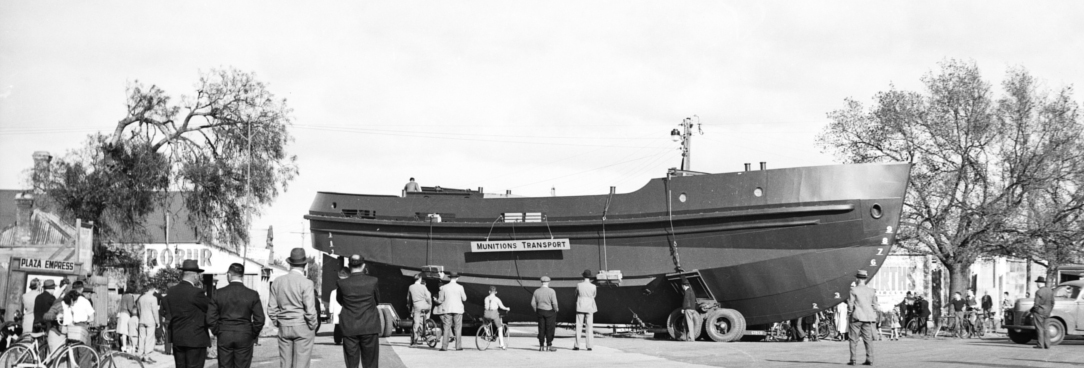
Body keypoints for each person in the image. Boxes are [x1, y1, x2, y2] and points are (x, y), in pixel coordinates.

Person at [208, 263, 266, 368]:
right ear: (242, 275)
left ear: (229, 275)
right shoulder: (252, 294)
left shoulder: (218, 293)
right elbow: (260, 319)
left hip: (224, 334)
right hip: (244, 334)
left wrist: (218, 331)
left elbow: (210, 318)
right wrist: (251, 333)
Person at [269, 248, 319, 368]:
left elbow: (272, 308)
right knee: (301, 364)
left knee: (285, 364)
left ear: (290, 263)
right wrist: (312, 326)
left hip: (284, 326)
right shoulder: (307, 283)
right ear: (305, 264)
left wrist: (278, 321)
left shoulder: (277, 281)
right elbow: (310, 310)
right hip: (302, 326)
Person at [162, 260, 212, 368]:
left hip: (178, 338)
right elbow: (211, 307)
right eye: (199, 275)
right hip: (195, 339)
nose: (199, 277)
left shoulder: (171, 291)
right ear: (195, 276)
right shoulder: (196, 292)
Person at [337, 255, 381, 368]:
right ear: (364, 265)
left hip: (349, 326)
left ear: (349, 265)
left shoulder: (342, 283)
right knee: (371, 363)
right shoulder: (373, 281)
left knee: (351, 364)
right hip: (369, 325)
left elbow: (340, 300)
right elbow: (377, 301)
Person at [847, 269, 877, 366]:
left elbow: (850, 305)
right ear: (865, 279)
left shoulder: (853, 290)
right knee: (868, 339)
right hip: (868, 317)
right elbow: (875, 306)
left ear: (857, 279)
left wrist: (849, 313)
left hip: (856, 317)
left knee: (853, 339)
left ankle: (853, 359)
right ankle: (870, 359)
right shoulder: (871, 291)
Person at [435, 271, 466, 351]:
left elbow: (441, 299)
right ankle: (458, 346)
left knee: (446, 328)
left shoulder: (444, 287)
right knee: (458, 328)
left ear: (449, 278)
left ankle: (444, 347)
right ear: (457, 278)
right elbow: (464, 298)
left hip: (447, 309)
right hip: (458, 309)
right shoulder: (460, 287)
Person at [531, 276, 558, 351]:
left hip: (540, 311)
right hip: (549, 311)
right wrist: (556, 310)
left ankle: (541, 346)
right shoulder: (551, 291)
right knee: (549, 328)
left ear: (541, 282)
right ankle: (549, 345)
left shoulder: (536, 291)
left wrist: (536, 310)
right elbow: (554, 303)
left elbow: (532, 303)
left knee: (541, 328)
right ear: (549, 282)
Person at [574, 269, 596, 351]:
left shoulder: (579, 285)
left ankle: (577, 345)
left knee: (578, 326)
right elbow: (594, 295)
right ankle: (589, 346)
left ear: (583, 276)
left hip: (580, 306)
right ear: (590, 277)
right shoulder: (593, 286)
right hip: (590, 307)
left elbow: (575, 294)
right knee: (589, 327)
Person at [406, 273, 431, 345]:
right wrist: (429, 304)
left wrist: (409, 306)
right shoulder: (423, 287)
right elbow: (428, 297)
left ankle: (415, 341)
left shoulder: (411, 287)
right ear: (420, 279)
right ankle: (427, 320)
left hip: (416, 306)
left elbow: (408, 298)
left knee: (416, 323)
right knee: (429, 308)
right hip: (425, 306)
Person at [483, 286, 510, 350]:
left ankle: (488, 334)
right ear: (496, 292)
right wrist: (507, 308)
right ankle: (502, 345)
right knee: (500, 328)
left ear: (489, 291)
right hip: (494, 314)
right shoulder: (497, 299)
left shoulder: (486, 298)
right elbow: (502, 307)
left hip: (486, 314)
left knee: (485, 325)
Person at [136, 285, 159, 362]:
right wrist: (157, 321)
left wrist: (141, 316)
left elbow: (138, 310)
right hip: (150, 320)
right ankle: (147, 355)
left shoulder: (141, 298)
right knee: (149, 337)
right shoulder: (153, 298)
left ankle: (140, 354)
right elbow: (155, 311)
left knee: (141, 337)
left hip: (142, 319)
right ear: (153, 290)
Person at [1031, 276, 1054, 349]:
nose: (1036, 284)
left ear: (1039, 283)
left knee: (1039, 328)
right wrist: (1049, 310)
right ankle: (1047, 344)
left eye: (1037, 283)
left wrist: (1034, 310)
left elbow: (1036, 304)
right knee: (1046, 328)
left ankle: (1040, 344)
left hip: (1039, 312)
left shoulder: (1038, 292)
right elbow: (1053, 302)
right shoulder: (1050, 291)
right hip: (1047, 312)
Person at [330, 269, 349, 345]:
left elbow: (331, 302)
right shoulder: (347, 290)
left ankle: (337, 339)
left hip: (337, 310)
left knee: (337, 326)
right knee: (343, 326)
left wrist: (331, 312)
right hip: (343, 309)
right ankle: (343, 339)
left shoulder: (334, 292)